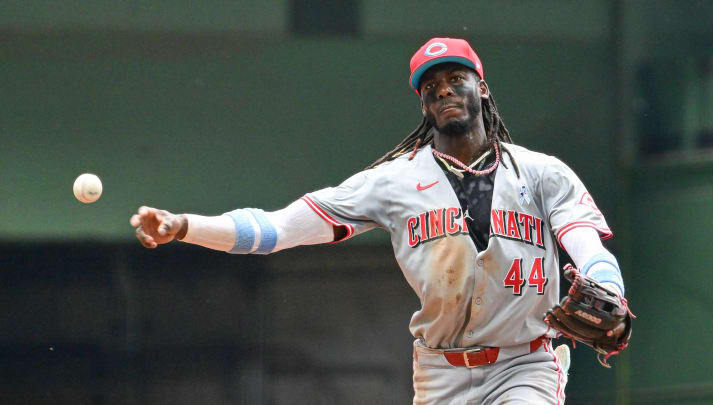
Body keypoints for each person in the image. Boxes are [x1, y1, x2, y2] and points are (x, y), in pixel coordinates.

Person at [131, 38, 629, 405]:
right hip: (440, 374)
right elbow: (275, 230)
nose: (444, 90)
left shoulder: (541, 173)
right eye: (431, 85)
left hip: (525, 363)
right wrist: (184, 226)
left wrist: (609, 289)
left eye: (457, 78)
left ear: (482, 87)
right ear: (423, 104)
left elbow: (588, 248)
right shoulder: (392, 182)